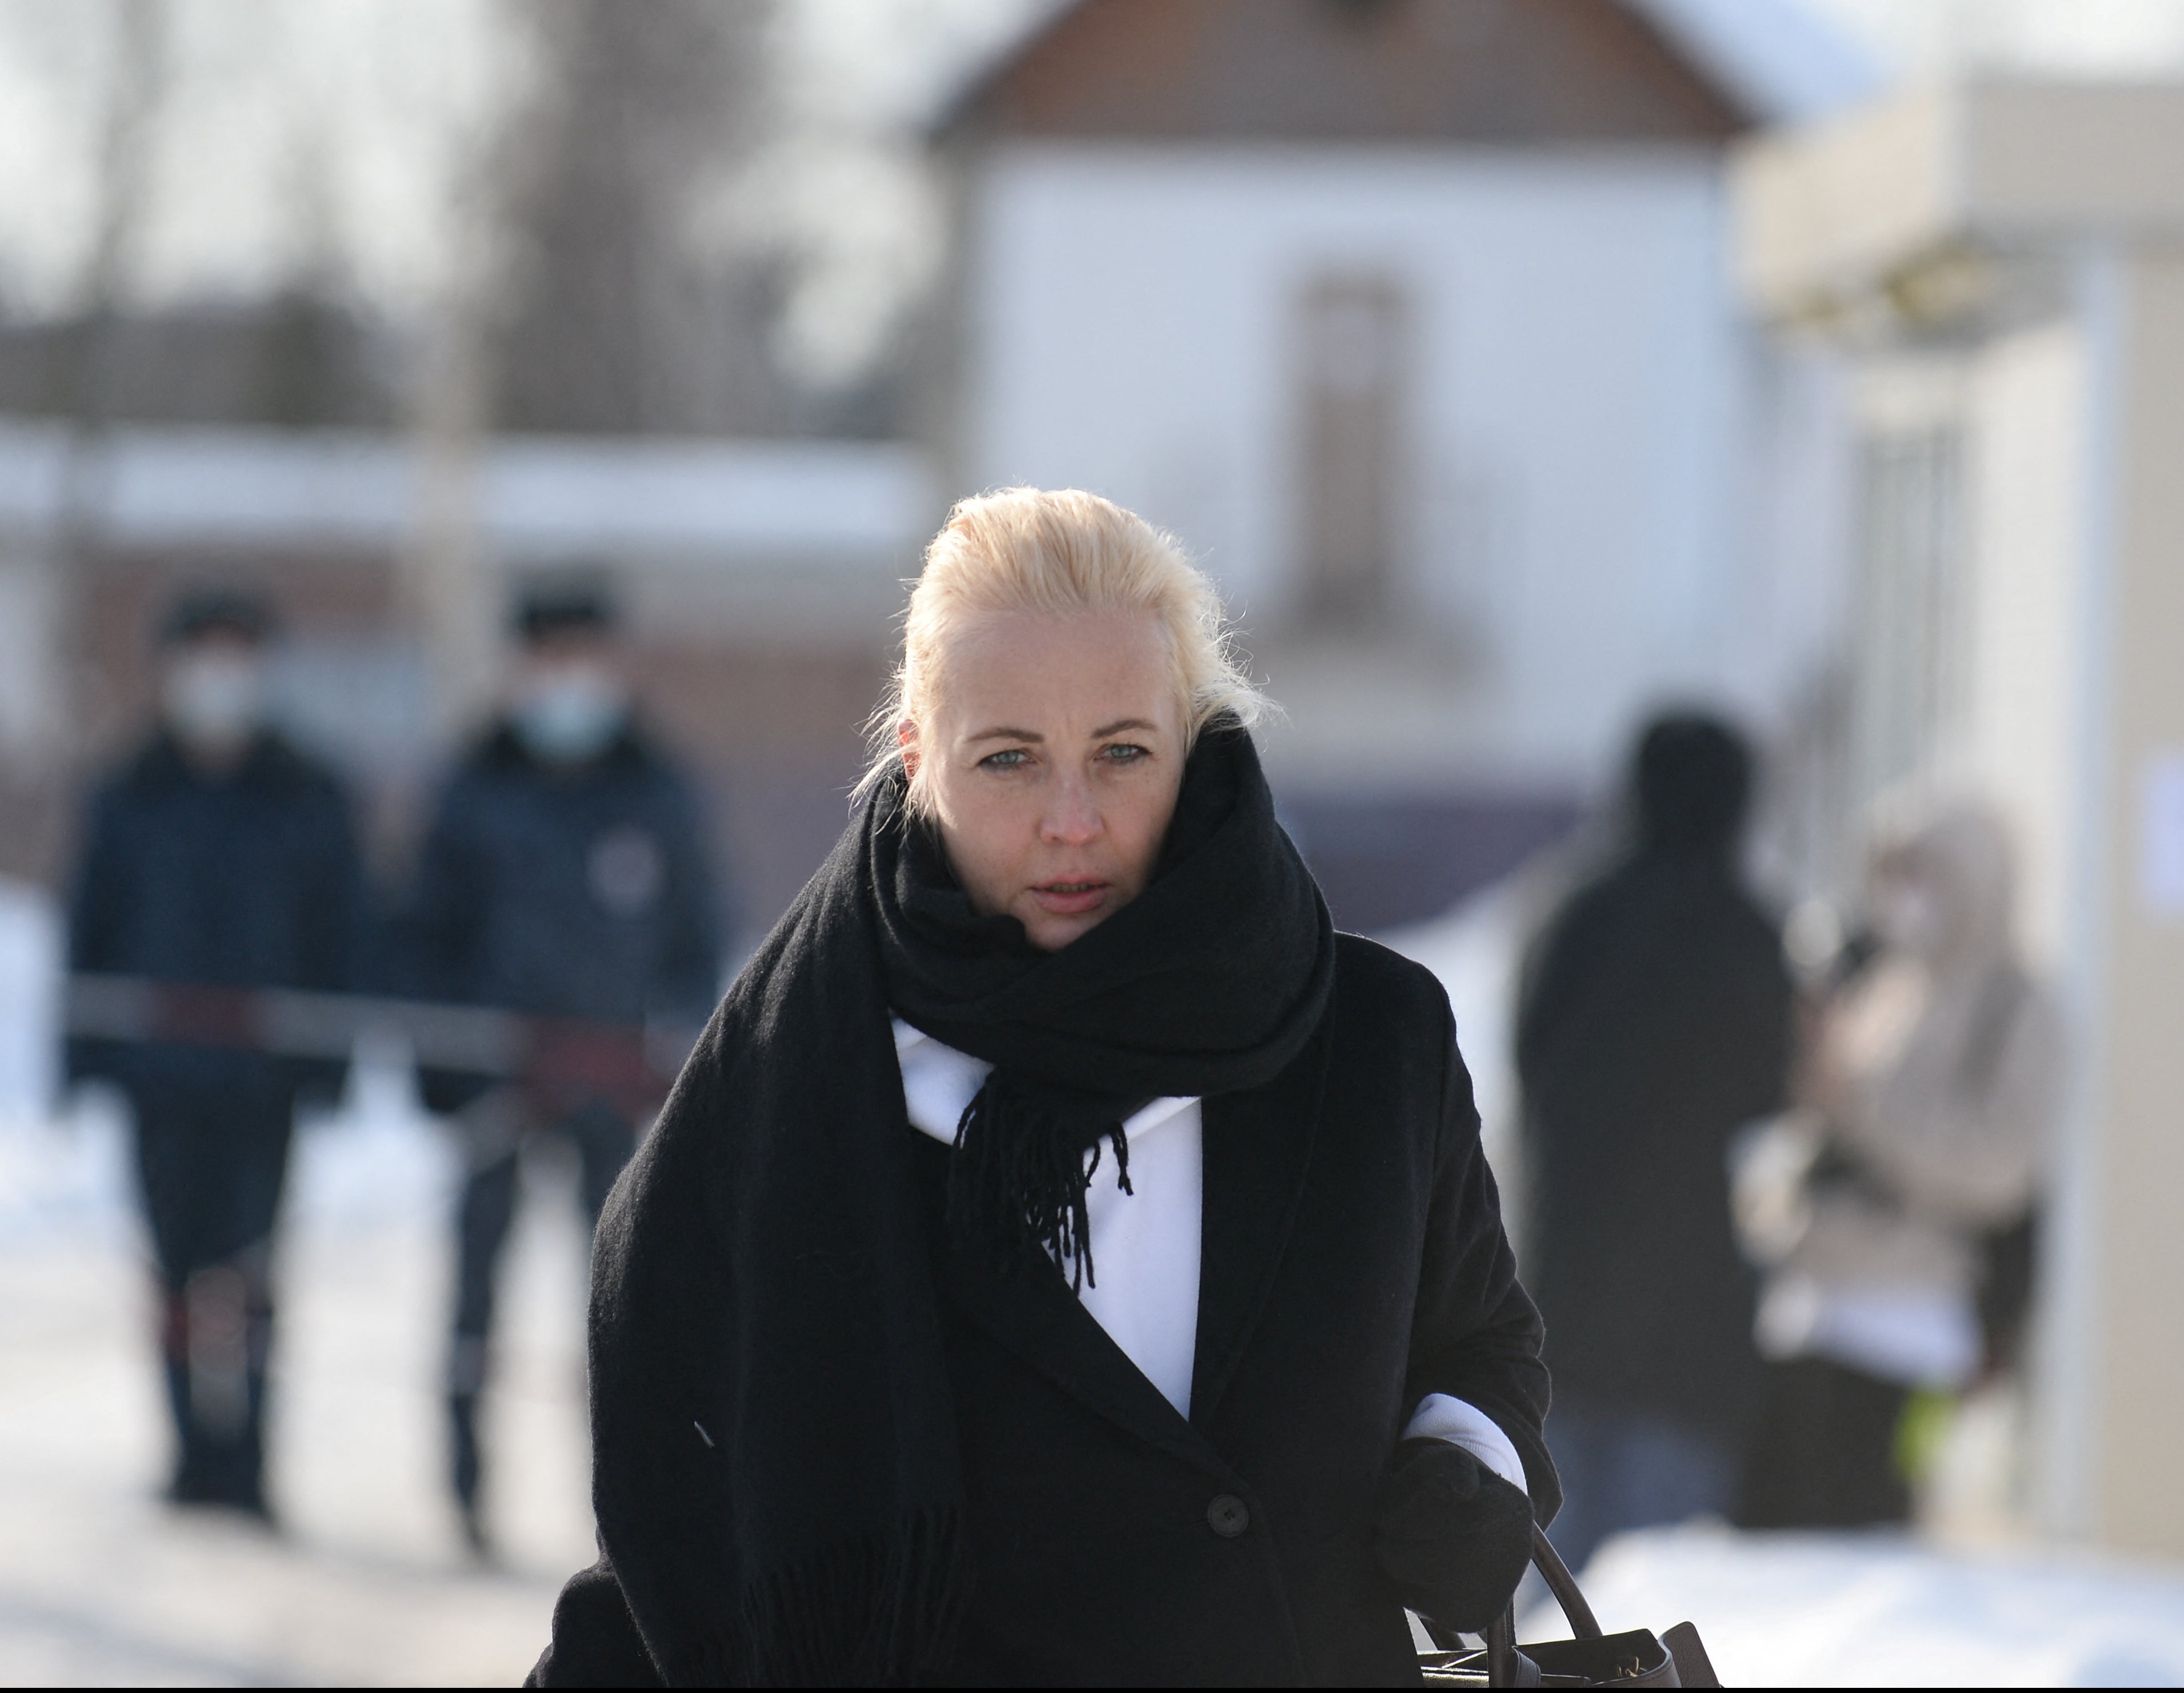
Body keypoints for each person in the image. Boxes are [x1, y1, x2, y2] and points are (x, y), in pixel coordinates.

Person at [527, 488, 1557, 1686]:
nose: (1072, 821)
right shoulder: (801, 1087)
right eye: (1009, 758)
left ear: (1193, 738)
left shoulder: (1375, 1037)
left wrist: (1465, 1459)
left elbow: (1483, 1341)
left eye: (1122, 752)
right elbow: (691, 1531)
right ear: (917, 758)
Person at [395, 578, 721, 1555]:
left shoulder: (659, 789)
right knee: (472, 1292)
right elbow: (420, 942)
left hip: (613, 1095)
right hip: (493, 1091)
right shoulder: (467, 786)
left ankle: (626, 1511)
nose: (570, 681)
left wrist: (677, 1069)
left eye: (588, 659)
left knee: (622, 1305)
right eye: (551, 660)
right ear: (518, 668)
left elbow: (695, 946)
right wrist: (452, 1071)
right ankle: (463, 1493)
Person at [66, 585, 367, 1520]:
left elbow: (342, 932)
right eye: (204, 654)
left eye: (239, 654)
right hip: (160, 1077)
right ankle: (188, 1453)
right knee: (170, 1267)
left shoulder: (309, 792)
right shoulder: (129, 790)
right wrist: (81, 1056)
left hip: (263, 1079)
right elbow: (93, 929)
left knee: (254, 1268)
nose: (220, 678)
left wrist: (331, 1059)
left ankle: (251, 1461)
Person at [1515, 712, 1795, 1570]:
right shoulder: (1747, 930)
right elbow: (1769, 1097)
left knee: (1553, 1583)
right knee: (1661, 1590)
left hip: (1568, 1289)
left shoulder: (1579, 914)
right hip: (1693, 1309)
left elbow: (1530, 1068)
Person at [1735, 794, 2061, 1530]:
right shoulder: (1881, 984)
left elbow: (1996, 1166)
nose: (1902, 897)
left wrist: (1860, 1109)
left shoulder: (2013, 1003)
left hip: (1911, 1321)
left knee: (1868, 1527)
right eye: (1893, 875)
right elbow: (1817, 1125)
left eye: (1924, 875)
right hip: (1811, 1302)